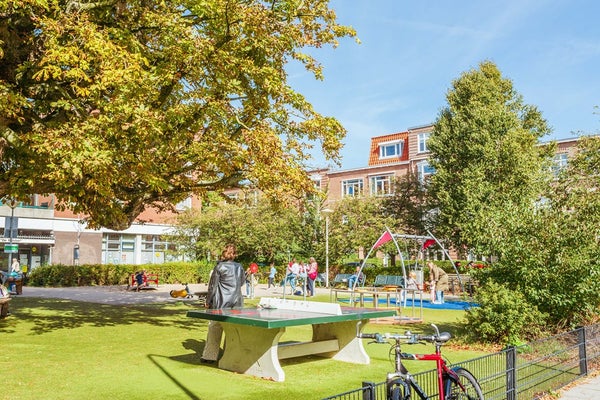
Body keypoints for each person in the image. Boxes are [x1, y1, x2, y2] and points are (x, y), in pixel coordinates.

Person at [201, 244, 245, 364]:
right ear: (235, 254)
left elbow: (212, 287)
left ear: (224, 253)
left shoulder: (219, 267)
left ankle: (209, 356)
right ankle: (229, 354)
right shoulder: (239, 267)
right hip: (236, 302)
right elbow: (241, 282)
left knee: (214, 327)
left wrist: (208, 301)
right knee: (232, 330)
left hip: (221, 302)